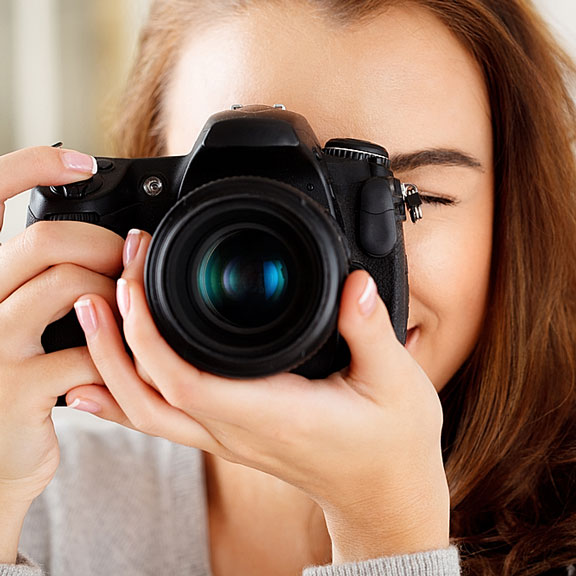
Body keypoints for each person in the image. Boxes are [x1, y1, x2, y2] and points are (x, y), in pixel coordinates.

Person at [0, 0, 575, 574]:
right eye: (238, 194)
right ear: (142, 215)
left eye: (410, 199)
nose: (324, 270)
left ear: (515, 214)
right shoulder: (31, 496)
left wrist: (390, 525)